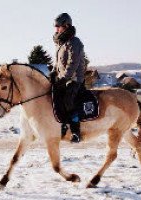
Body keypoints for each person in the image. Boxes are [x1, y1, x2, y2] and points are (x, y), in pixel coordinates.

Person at [50, 13, 86, 143]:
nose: (56, 29)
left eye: (58, 26)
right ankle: (62, 124)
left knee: (68, 100)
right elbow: (58, 63)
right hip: (63, 79)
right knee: (54, 97)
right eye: (55, 27)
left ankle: (76, 132)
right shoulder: (61, 44)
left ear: (66, 26)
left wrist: (64, 78)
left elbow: (73, 63)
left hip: (74, 79)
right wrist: (53, 73)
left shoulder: (74, 42)